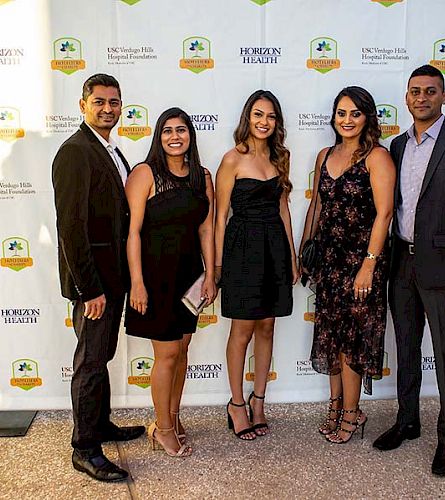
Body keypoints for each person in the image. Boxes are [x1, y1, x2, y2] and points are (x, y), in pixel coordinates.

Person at [373, 65, 445, 476]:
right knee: (405, 347)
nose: (421, 98)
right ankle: (408, 420)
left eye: (430, 91)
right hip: (400, 264)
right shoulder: (397, 146)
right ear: (406, 98)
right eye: (414, 91)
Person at [52, 74, 145, 482]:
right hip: (94, 285)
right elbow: (71, 227)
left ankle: (100, 425)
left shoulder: (108, 149)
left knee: (101, 356)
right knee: (90, 363)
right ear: (83, 105)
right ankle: (84, 448)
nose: (108, 108)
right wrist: (89, 288)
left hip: (113, 279)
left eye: (114, 102)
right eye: (100, 102)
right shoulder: (75, 152)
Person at [299, 86, 395, 444]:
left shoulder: (377, 158)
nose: (347, 120)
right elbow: (317, 207)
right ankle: (336, 405)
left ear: (367, 116)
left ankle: (353, 414)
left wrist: (368, 265)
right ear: (333, 117)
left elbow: (384, 214)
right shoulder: (325, 155)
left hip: (361, 260)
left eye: (355, 113)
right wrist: (305, 251)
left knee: (353, 340)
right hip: (329, 259)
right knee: (331, 335)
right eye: (341, 113)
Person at [125, 107, 216, 457]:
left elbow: (205, 228)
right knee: (166, 355)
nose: (174, 136)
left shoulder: (202, 176)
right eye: (167, 130)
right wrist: (137, 282)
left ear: (190, 135)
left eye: (181, 130)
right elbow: (132, 233)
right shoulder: (145, 173)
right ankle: (162, 430)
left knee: (182, 352)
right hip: (154, 276)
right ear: (157, 137)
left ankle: (173, 419)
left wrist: (210, 274)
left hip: (189, 276)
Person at [215, 90, 299, 440]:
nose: (264, 122)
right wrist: (217, 267)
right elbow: (220, 217)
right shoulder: (232, 159)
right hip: (242, 247)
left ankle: (259, 400)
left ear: (277, 122)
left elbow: (283, 210)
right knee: (243, 329)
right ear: (247, 118)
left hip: (274, 247)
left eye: (271, 116)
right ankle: (236, 404)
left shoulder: (282, 158)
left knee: (267, 327)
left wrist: (292, 256)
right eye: (258, 115)